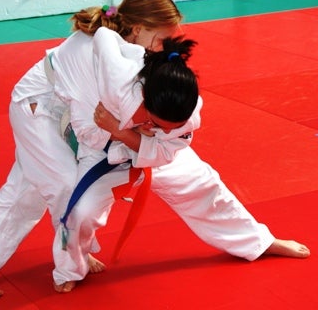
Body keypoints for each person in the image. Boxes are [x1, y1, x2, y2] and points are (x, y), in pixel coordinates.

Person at [0, 0, 184, 298]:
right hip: (36, 108)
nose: (164, 47)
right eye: (161, 39)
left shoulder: (121, 46)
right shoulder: (94, 51)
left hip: (58, 111)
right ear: (138, 28)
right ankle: (73, 259)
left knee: (25, 192)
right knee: (65, 185)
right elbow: (90, 131)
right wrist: (127, 132)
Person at [51, 28, 311, 293]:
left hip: (153, 152)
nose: (163, 130)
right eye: (157, 123)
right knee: (79, 212)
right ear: (145, 101)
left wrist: (123, 131)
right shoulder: (116, 85)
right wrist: (114, 130)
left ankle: (258, 242)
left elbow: (165, 150)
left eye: (169, 127)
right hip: (104, 152)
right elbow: (103, 37)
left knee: (205, 188)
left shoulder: (187, 113)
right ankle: (69, 267)